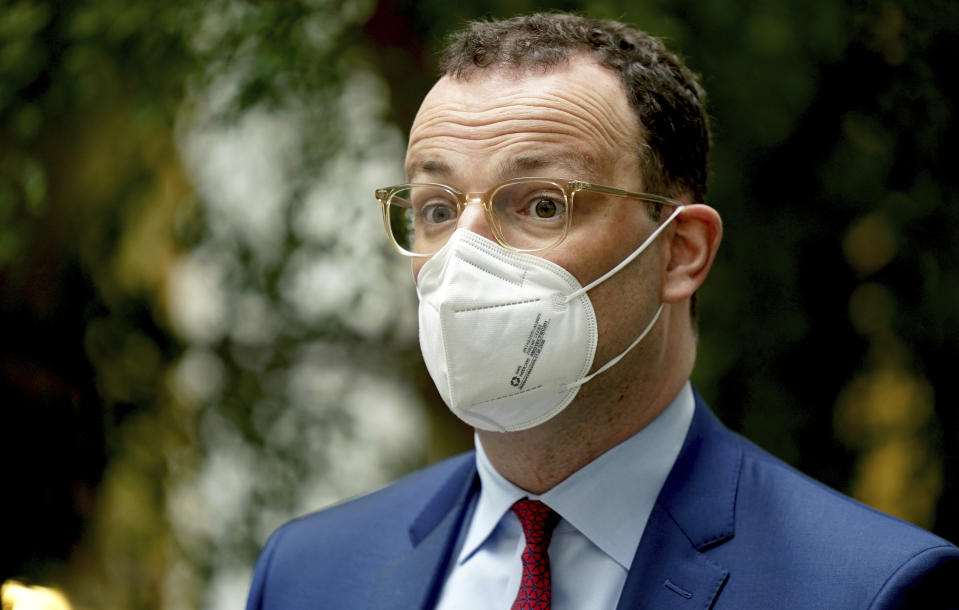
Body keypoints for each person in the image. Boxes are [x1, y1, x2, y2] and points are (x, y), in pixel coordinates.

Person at [245, 12, 959, 609]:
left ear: (680, 251)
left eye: (542, 205)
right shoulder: (308, 575)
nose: (463, 258)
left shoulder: (865, 589)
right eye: (435, 208)